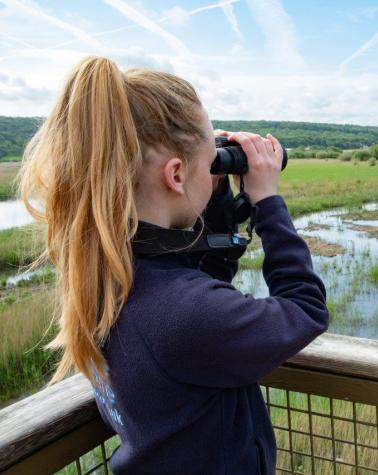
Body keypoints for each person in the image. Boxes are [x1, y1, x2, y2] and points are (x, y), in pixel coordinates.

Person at [18, 56, 329, 474]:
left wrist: (217, 200)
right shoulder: (181, 312)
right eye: (209, 162)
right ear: (176, 175)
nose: (214, 169)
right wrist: (267, 202)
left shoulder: (109, 276)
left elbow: (197, 281)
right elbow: (305, 308)